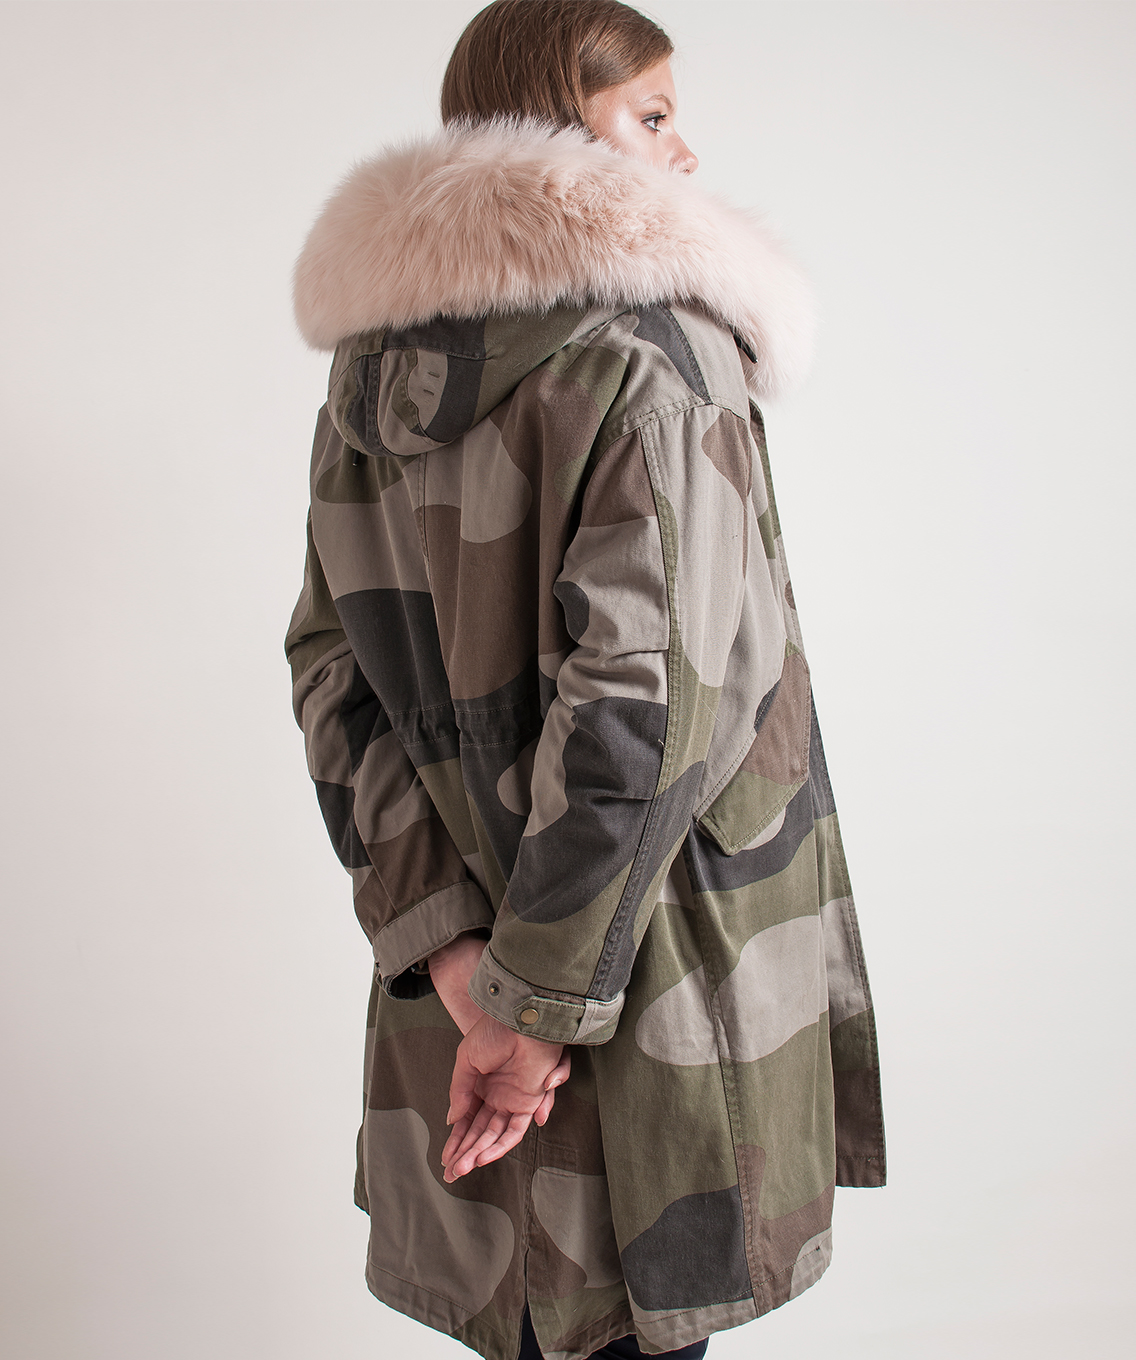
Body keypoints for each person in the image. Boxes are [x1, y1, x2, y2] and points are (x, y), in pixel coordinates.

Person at [285, 3, 885, 1359]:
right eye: (653, 116)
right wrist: (534, 1012)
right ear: (563, 134)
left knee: (531, 1331)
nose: (685, 153)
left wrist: (450, 952)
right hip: (641, 986)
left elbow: (331, 670)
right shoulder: (661, 358)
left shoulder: (374, 371)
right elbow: (647, 708)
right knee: (628, 1323)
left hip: (466, 996)